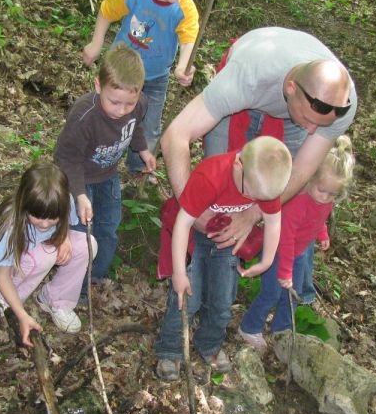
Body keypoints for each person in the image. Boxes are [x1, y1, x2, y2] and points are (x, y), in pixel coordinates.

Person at [159, 26, 357, 303]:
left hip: (289, 109)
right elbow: (175, 136)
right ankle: (193, 270)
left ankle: (230, 285)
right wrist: (193, 206)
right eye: (309, 119)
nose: (313, 131)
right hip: (252, 86)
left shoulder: (338, 102)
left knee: (268, 183)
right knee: (222, 186)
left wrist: (251, 215)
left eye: (320, 125)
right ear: (290, 90)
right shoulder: (247, 78)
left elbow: (301, 170)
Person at [153, 136, 292, 381]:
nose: (252, 199)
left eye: (258, 197)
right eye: (249, 191)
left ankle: (209, 343)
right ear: (238, 165)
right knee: (186, 298)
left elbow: (273, 221)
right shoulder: (212, 176)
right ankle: (170, 349)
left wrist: (267, 261)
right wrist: (179, 273)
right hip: (192, 234)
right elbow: (183, 223)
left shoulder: (265, 184)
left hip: (224, 237)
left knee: (223, 299)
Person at [82, 0, 199, 183]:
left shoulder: (184, 7)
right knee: (109, 113)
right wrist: (96, 43)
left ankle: (138, 170)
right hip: (121, 72)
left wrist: (182, 66)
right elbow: (106, 11)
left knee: (150, 126)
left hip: (155, 77)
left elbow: (189, 35)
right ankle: (94, 158)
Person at [239, 136, 355, 352]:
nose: (326, 197)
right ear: (310, 179)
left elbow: (319, 218)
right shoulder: (298, 203)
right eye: (322, 190)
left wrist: (322, 234)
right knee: (272, 291)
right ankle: (250, 326)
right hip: (278, 251)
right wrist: (284, 272)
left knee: (295, 293)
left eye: (333, 194)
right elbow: (285, 239)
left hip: (299, 251)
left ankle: (282, 330)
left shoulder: (324, 201)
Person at [55, 45, 155, 293]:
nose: (121, 110)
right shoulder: (84, 116)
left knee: (108, 229)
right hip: (79, 178)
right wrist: (78, 195)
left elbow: (135, 126)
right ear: (98, 86)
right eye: (114, 102)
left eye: (128, 103)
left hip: (108, 176)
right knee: (80, 234)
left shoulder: (138, 104)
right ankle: (70, 289)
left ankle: (95, 277)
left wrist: (142, 150)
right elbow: (66, 159)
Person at [0, 162, 96, 347]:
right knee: (46, 256)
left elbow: (65, 222)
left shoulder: (60, 201)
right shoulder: (10, 224)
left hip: (39, 248)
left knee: (87, 244)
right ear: (24, 203)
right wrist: (21, 315)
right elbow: (2, 274)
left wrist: (64, 238)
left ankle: (55, 300)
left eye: (52, 218)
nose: (44, 224)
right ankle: (6, 299)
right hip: (5, 270)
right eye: (37, 216)